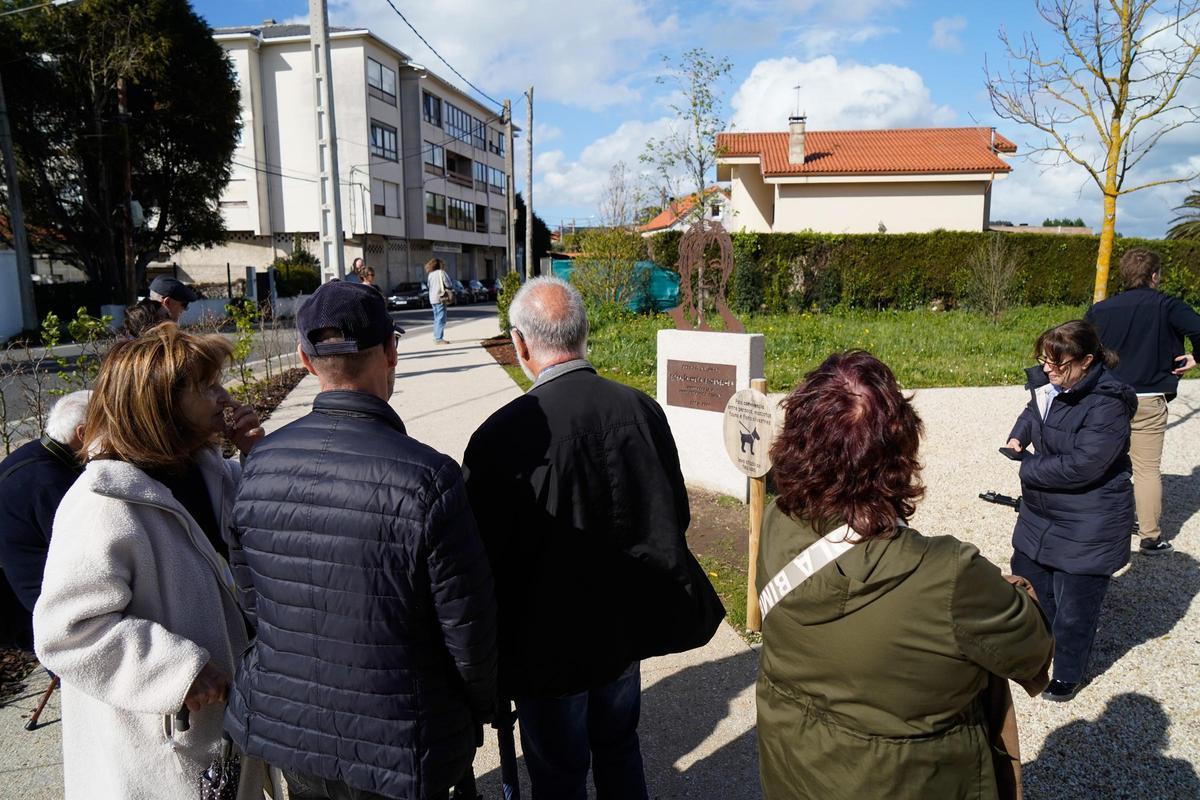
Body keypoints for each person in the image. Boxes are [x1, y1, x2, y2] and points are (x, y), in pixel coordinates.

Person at [225, 280, 497, 800]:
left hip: (293, 729)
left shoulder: (258, 465)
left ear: (306, 360)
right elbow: (468, 631)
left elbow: (256, 605)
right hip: (401, 737)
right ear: (392, 351)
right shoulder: (428, 478)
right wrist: (479, 707)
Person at [462, 276, 724, 800]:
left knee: (558, 773)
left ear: (519, 343)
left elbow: (480, 560)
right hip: (622, 632)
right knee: (619, 747)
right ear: (584, 334)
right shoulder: (641, 410)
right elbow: (674, 512)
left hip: (547, 647)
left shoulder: (501, 437)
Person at [757, 351, 1053, 800]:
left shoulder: (779, 520)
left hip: (795, 768)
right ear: (901, 449)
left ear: (797, 439)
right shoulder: (948, 575)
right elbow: (1032, 649)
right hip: (907, 781)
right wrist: (1013, 589)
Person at [32, 325, 265, 799]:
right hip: (158, 752)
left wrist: (257, 455)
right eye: (208, 387)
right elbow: (67, 630)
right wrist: (178, 671)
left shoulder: (210, 472)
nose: (225, 396)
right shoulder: (103, 503)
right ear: (161, 404)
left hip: (223, 734)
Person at [1006, 320, 1136, 701]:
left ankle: (1067, 672)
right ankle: (1033, 654)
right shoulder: (1052, 383)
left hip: (1088, 521)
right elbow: (1034, 411)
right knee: (1031, 587)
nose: (1047, 369)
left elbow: (1086, 464)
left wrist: (1028, 467)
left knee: (1074, 607)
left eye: (1057, 364)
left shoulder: (1108, 403)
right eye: (1043, 360)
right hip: (1040, 514)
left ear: (1087, 361)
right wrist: (1020, 434)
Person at [1085, 247, 1200, 554]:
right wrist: (1195, 358)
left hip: (1106, 397)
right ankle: (1150, 537)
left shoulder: (1101, 309)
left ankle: (1095, 524)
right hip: (1148, 397)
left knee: (1102, 461)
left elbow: (1081, 345)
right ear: (1154, 276)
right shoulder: (1167, 305)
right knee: (1147, 468)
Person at [0, 391, 90, 647]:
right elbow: (87, 556)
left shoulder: (34, 456)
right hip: (52, 621)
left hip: (29, 606)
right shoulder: (48, 484)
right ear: (82, 434)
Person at [425, 257, 451, 344]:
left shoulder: (430, 274)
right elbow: (448, 283)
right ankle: (438, 338)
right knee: (441, 318)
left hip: (432, 298)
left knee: (436, 318)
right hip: (440, 297)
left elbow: (429, 285)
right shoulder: (442, 273)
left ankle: (436, 337)